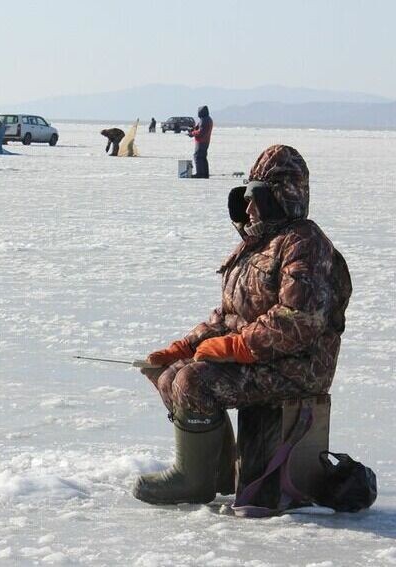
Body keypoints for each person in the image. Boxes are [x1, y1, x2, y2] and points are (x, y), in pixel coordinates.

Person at [133, 145, 352, 505]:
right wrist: (186, 347)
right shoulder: (257, 244)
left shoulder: (305, 244)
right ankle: (217, 473)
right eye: (247, 197)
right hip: (267, 358)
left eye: (257, 197)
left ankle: (193, 482)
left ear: (281, 197)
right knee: (173, 373)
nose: (248, 207)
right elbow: (229, 315)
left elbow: (300, 319)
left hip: (299, 366)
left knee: (193, 381)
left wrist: (238, 347)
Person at [188, 106, 212, 178]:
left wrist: (192, 133)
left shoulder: (204, 120)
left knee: (198, 156)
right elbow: (199, 128)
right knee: (203, 157)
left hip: (201, 141)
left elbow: (201, 132)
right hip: (205, 141)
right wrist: (193, 129)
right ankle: (205, 173)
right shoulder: (208, 119)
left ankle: (200, 173)